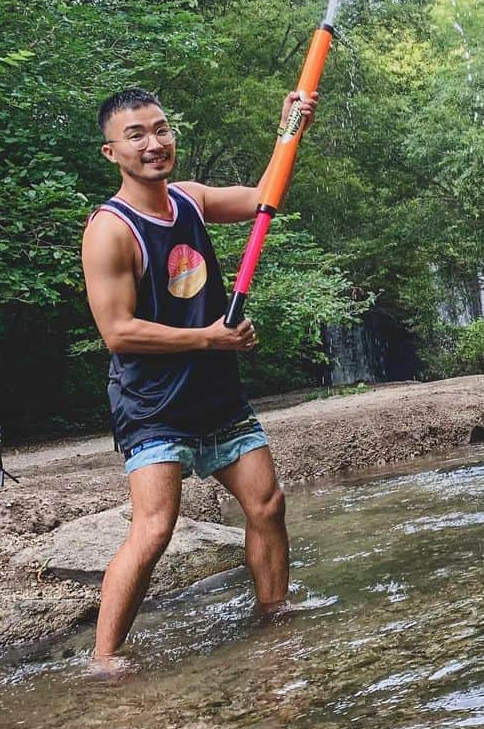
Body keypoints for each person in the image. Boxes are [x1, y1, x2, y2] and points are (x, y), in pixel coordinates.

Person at [82, 85, 318, 668]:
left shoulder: (189, 199)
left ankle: (275, 617)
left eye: (161, 129)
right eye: (136, 135)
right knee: (155, 528)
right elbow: (118, 331)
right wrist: (210, 338)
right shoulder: (110, 230)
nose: (153, 143)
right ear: (112, 152)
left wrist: (289, 132)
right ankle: (105, 659)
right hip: (153, 404)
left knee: (267, 505)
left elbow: (266, 197)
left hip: (216, 394)